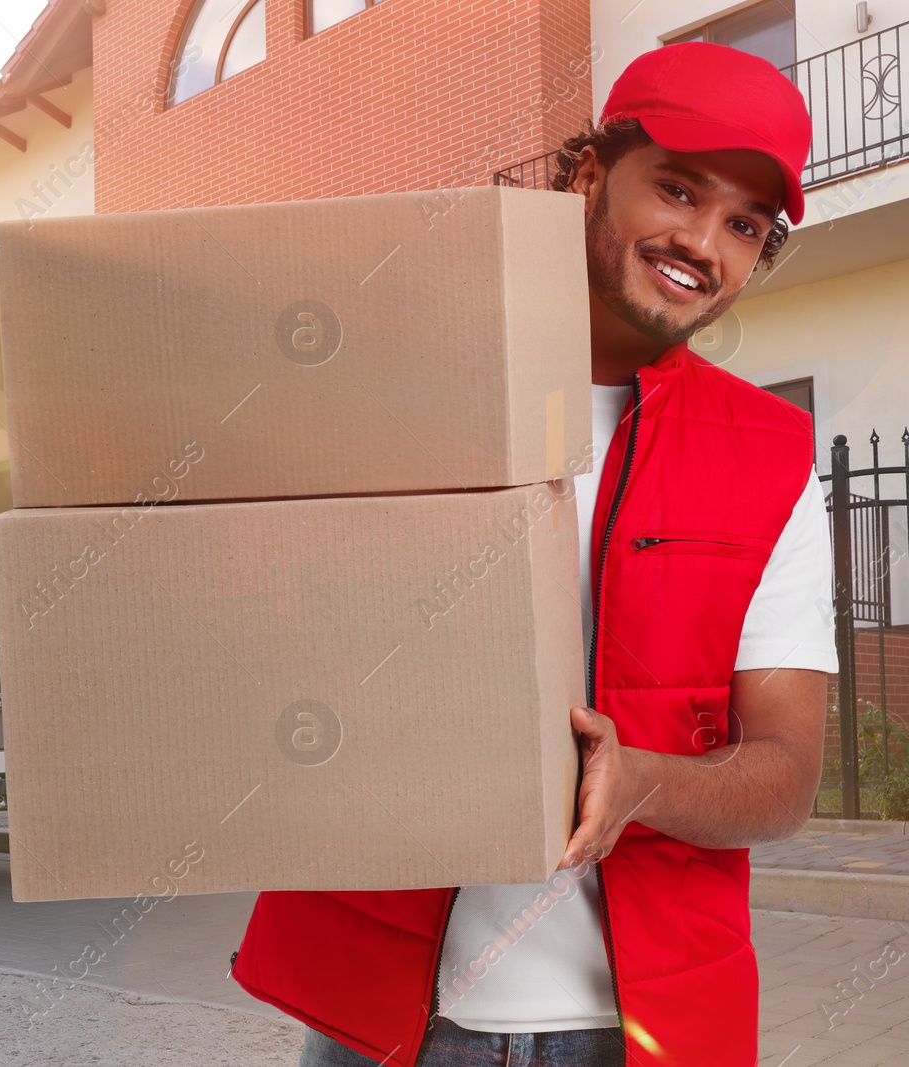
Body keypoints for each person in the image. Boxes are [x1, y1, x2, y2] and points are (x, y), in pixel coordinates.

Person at [232, 41, 837, 1067]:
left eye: (743, 224)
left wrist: (638, 781)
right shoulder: (402, 381)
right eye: (678, 189)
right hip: (382, 1023)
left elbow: (783, 774)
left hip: (637, 1033)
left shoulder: (771, 457)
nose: (702, 240)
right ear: (591, 175)